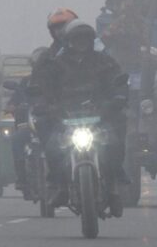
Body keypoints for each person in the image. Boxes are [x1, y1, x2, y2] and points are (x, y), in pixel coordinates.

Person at [40, 20, 128, 216]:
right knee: (52, 148)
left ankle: (113, 186)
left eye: (85, 39)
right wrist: (46, 105)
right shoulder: (55, 65)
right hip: (66, 119)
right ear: (68, 41)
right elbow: (44, 88)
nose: (81, 44)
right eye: (76, 39)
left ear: (91, 41)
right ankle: (59, 186)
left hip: (98, 117)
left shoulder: (105, 61)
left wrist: (117, 98)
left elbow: (119, 81)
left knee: (114, 143)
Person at [8, 47, 48, 199]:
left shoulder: (57, 80)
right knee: (17, 140)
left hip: (52, 124)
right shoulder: (26, 82)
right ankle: (21, 178)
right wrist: (13, 106)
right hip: (32, 125)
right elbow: (15, 99)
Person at [100, 0, 147, 72]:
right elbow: (105, 39)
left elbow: (145, 41)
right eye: (128, 8)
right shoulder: (118, 23)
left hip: (133, 60)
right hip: (122, 60)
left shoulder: (139, 23)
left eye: (131, 8)